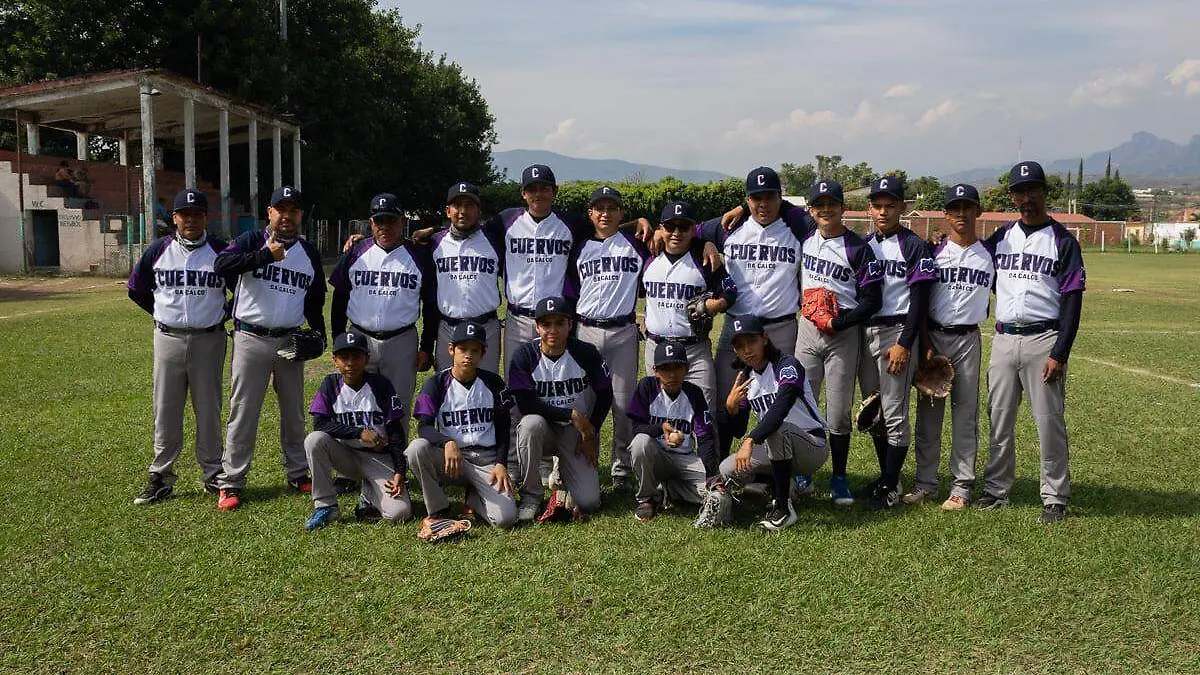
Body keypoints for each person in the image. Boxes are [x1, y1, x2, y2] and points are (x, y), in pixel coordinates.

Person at [980, 161, 1085, 524]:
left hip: (1044, 338)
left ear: (1044, 192)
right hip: (1005, 338)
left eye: (1033, 190)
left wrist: (1061, 351)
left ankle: (1054, 496)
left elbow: (1073, 299)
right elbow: (973, 269)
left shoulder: (1063, 241)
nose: (1027, 197)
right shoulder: (999, 238)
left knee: (1048, 420)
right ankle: (996, 489)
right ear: (1012, 196)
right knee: (999, 417)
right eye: (1019, 191)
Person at [213, 185, 327, 511]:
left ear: (300, 215)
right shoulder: (251, 241)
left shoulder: (308, 252)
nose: (287, 216)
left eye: (293, 210)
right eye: (281, 209)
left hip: (289, 340)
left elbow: (315, 299)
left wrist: (318, 334)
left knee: (293, 412)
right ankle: (231, 481)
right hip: (250, 337)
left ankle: (298, 473)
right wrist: (265, 255)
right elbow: (221, 266)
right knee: (244, 412)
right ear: (270, 212)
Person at [127, 188, 230, 504]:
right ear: (174, 218)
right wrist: (161, 313)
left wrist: (223, 313)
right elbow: (137, 289)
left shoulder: (221, 251)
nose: (190, 220)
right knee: (166, 408)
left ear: (205, 218)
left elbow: (243, 292)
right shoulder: (157, 250)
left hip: (209, 338)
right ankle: (161, 475)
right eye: (184, 215)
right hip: (168, 337)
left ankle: (213, 473)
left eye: (197, 214)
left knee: (208, 408)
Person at [697, 167, 810, 456]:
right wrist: (708, 241)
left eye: (769, 196)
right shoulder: (728, 228)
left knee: (779, 400)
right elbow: (690, 232)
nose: (763, 204)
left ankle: (775, 472)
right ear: (747, 199)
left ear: (780, 197)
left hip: (779, 327)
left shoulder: (795, 227)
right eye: (755, 197)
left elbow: (822, 221)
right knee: (727, 398)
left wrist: (745, 208)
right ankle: (718, 472)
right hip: (736, 328)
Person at [788, 180, 883, 506]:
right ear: (811, 210)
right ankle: (803, 472)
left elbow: (873, 299)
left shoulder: (857, 248)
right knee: (804, 403)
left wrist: (839, 321)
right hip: (808, 331)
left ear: (843, 207)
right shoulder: (805, 238)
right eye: (819, 204)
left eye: (832, 203)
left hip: (842, 336)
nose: (825, 209)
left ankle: (839, 478)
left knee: (839, 413)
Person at [904, 184, 995, 510]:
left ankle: (962, 486)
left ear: (978, 211)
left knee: (965, 415)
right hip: (934, 339)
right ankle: (925, 483)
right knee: (928, 416)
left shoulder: (990, 255)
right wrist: (925, 343)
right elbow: (922, 300)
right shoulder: (933, 253)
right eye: (954, 208)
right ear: (945, 214)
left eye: (967, 207)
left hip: (968, 338)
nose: (961, 214)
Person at [858, 175, 937, 508]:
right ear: (869, 208)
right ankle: (886, 477)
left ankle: (889, 486)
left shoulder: (914, 244)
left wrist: (906, 342)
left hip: (897, 333)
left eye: (890, 206)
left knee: (894, 412)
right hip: (867, 333)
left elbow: (919, 298)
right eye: (877, 206)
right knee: (874, 410)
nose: (883, 212)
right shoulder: (864, 244)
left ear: (902, 208)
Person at [329, 193, 436, 440]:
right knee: (355, 401)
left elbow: (431, 306)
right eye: (379, 221)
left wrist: (426, 346)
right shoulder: (357, 251)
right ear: (371, 222)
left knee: (397, 404)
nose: (385, 226)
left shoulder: (419, 256)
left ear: (402, 221)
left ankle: (395, 464)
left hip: (401, 340)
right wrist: (338, 339)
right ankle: (354, 464)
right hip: (359, 338)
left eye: (391, 220)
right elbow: (339, 297)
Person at [567, 186, 650, 491]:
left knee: (623, 402)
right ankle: (584, 460)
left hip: (623, 332)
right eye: (599, 208)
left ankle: (622, 467)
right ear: (590, 213)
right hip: (586, 330)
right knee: (585, 401)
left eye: (612, 208)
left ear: (621, 213)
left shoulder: (636, 245)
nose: (605, 213)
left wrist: (707, 243)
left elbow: (673, 239)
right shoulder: (579, 248)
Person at [718, 315, 829, 532]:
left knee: (777, 430)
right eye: (740, 346)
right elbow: (739, 429)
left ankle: (783, 508)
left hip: (812, 445)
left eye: (752, 342)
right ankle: (788, 485)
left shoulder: (787, 365)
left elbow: (781, 409)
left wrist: (751, 440)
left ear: (765, 339)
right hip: (777, 446)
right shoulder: (747, 378)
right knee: (728, 469)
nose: (747, 350)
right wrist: (731, 409)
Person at [508, 296, 613, 523]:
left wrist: (590, 432)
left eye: (559, 323)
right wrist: (570, 414)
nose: (552, 330)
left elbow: (605, 395)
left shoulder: (586, 353)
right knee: (529, 424)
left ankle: (563, 473)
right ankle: (531, 496)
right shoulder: (524, 356)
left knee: (589, 502)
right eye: (546, 324)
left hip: (575, 434)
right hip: (543, 429)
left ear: (570, 325)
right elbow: (525, 403)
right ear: (537, 327)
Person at [406, 321, 517, 529]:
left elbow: (504, 427)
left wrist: (502, 463)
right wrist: (446, 441)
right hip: (451, 460)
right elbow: (424, 427)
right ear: (451, 350)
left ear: (483, 353)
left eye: (475, 350)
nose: (468, 355)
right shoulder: (436, 383)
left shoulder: (494, 382)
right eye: (463, 349)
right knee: (416, 449)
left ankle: (474, 500)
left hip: (487, 460)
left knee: (506, 518)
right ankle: (439, 511)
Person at [303, 330, 411, 531]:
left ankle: (369, 494)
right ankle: (326, 505)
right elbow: (320, 425)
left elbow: (395, 431)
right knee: (314, 440)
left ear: (367, 358)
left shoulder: (380, 385)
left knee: (399, 513)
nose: (350, 363)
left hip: (379, 458)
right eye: (344, 357)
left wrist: (399, 471)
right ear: (335, 360)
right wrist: (359, 432)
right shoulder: (330, 384)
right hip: (347, 456)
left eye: (356, 356)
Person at [641, 199, 736, 416]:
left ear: (693, 230)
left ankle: (707, 451)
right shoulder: (649, 257)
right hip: (656, 347)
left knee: (705, 413)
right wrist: (640, 220)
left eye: (683, 227)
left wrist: (717, 304)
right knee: (660, 413)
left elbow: (730, 290)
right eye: (670, 227)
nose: (676, 233)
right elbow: (611, 232)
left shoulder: (703, 258)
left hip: (694, 350)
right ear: (660, 229)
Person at [625, 341, 722, 524]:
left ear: (687, 368)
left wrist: (712, 475)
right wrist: (659, 428)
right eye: (665, 368)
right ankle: (647, 498)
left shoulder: (694, 393)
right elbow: (636, 428)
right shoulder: (647, 387)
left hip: (685, 459)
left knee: (716, 495)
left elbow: (705, 437)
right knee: (640, 443)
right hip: (657, 456)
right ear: (655, 370)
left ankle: (669, 490)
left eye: (678, 367)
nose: (671, 374)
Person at [427, 182, 505, 373]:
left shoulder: (494, 239)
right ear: (447, 210)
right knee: (447, 388)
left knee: (487, 385)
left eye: (469, 205)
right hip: (448, 328)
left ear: (478, 210)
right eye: (457, 205)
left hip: (486, 326)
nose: (463, 211)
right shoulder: (435, 242)